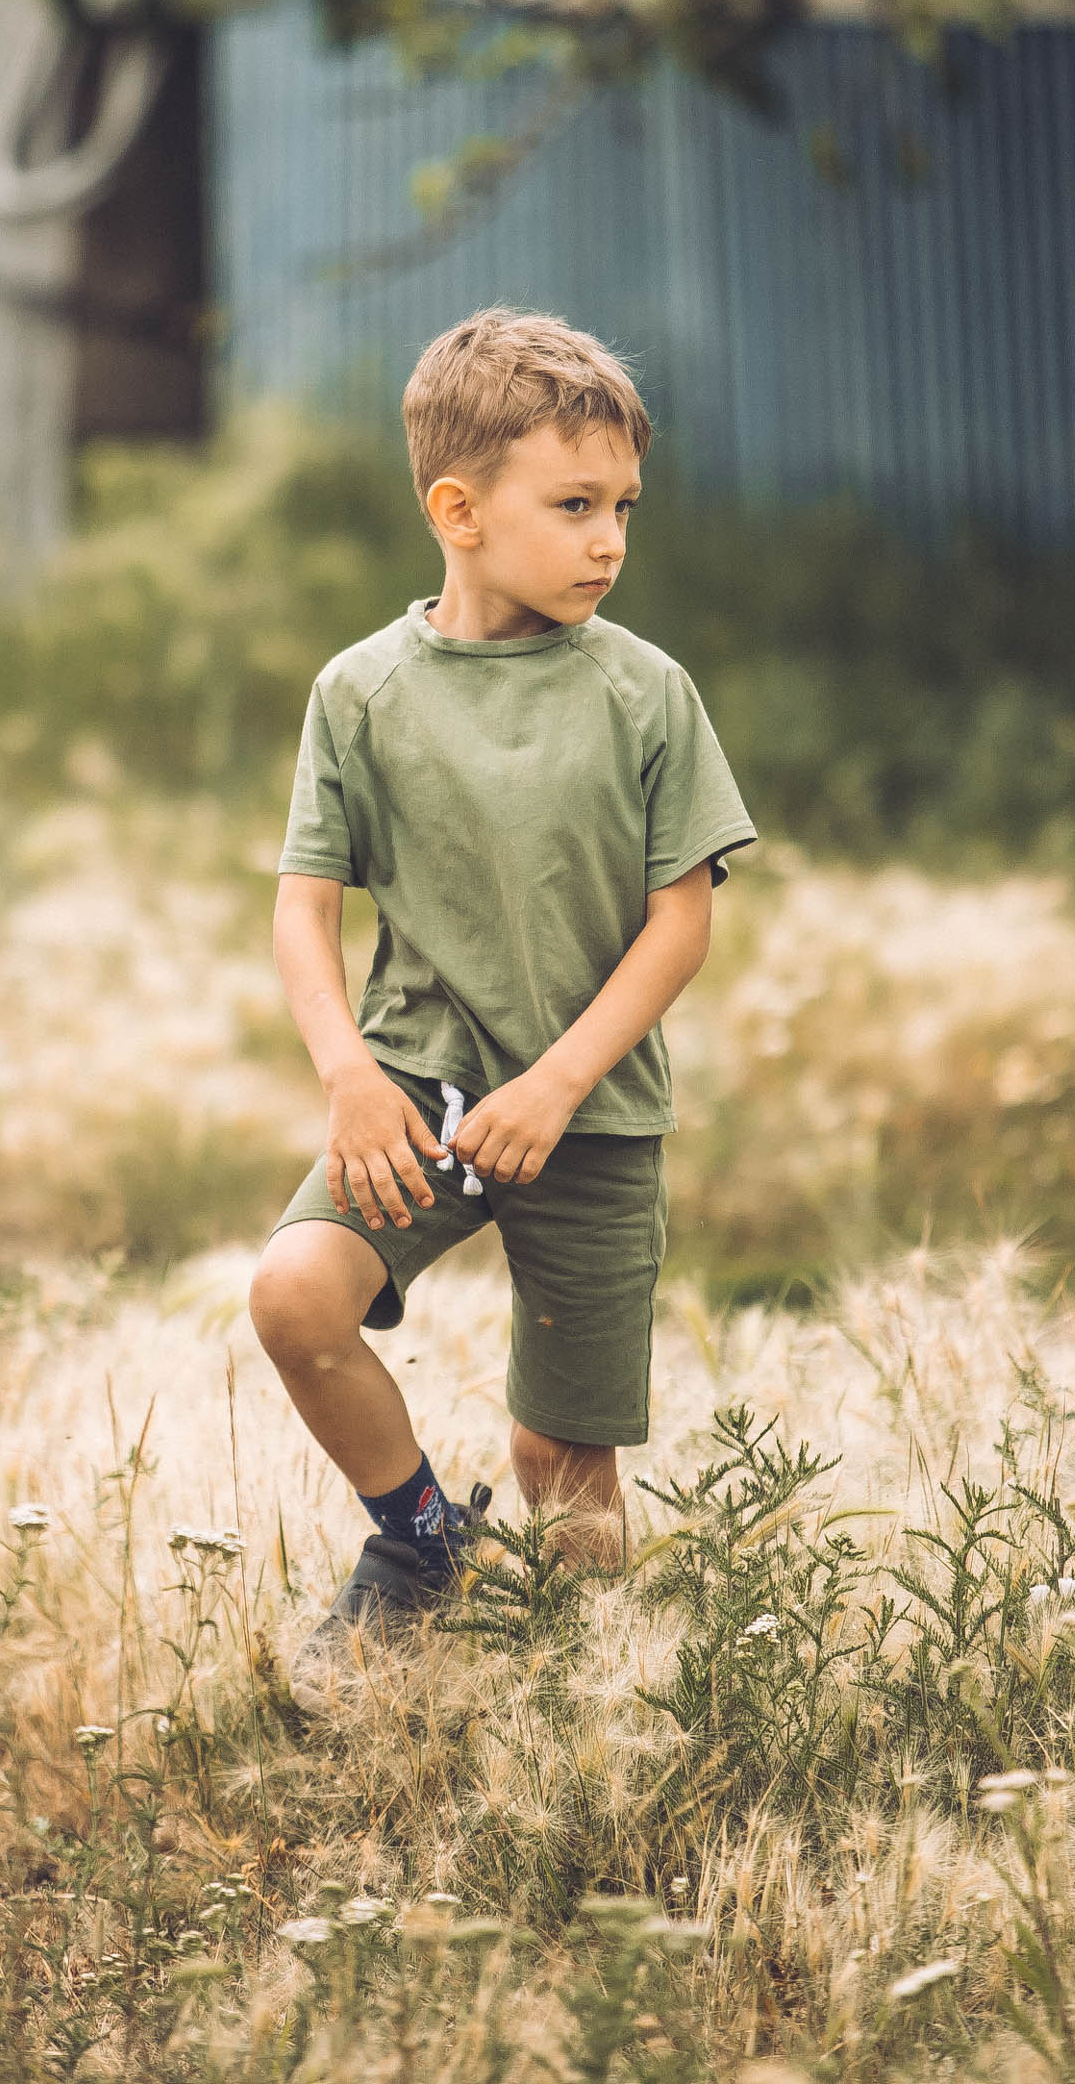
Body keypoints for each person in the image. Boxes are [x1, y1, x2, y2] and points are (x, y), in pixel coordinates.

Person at [248, 307, 755, 1655]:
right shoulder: (359, 693)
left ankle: (579, 1713)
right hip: (416, 1090)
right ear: (458, 510)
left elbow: (679, 927)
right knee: (297, 1300)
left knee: (564, 1473)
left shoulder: (647, 695)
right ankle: (420, 1545)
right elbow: (303, 911)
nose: (611, 541)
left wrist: (558, 1083)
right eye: (575, 504)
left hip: (589, 1114)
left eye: (626, 507)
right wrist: (351, 1077)